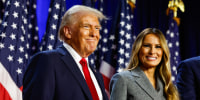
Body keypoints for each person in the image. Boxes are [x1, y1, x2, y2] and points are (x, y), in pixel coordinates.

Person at [23, 5, 108, 100]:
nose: (94, 34)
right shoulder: (47, 61)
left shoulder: (96, 75)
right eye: (86, 26)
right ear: (68, 32)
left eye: (97, 28)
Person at [109, 28, 179, 100]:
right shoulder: (122, 79)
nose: (152, 51)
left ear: (163, 51)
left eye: (158, 47)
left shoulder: (168, 87)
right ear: (138, 49)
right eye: (147, 46)